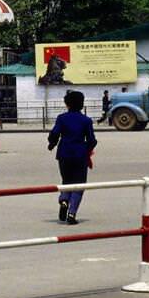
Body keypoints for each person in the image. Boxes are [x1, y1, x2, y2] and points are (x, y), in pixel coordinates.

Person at [47, 90, 97, 225]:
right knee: (79, 184)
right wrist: (87, 149)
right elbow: (92, 140)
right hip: (80, 155)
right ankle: (72, 213)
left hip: (64, 153)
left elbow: (54, 134)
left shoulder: (61, 118)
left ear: (66, 103)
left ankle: (64, 200)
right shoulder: (86, 120)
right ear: (82, 104)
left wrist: (52, 144)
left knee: (66, 181)